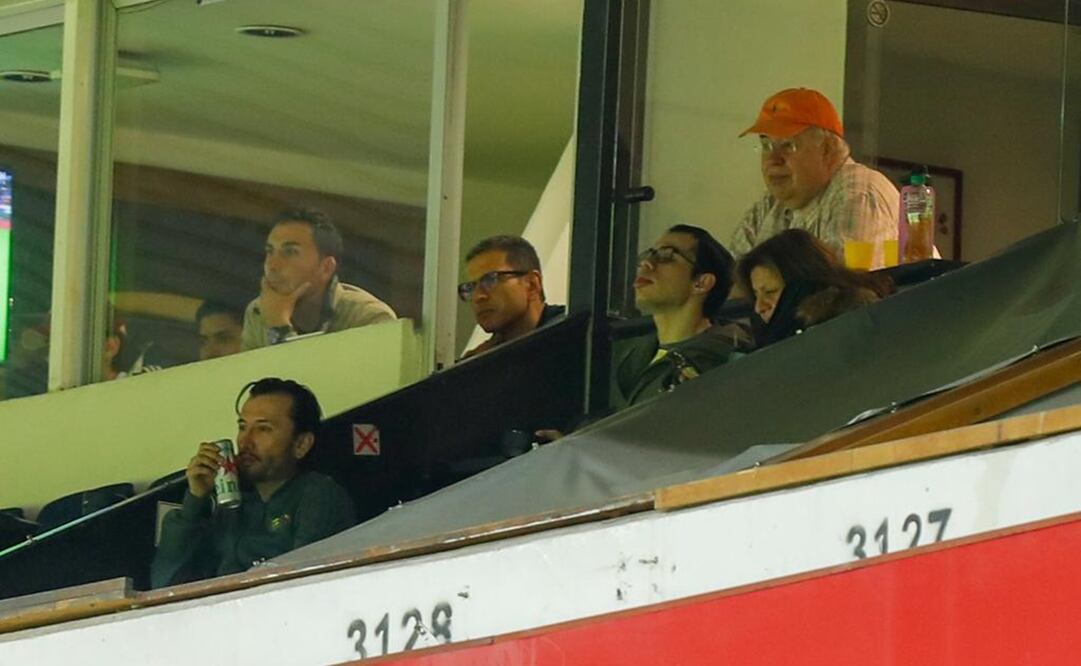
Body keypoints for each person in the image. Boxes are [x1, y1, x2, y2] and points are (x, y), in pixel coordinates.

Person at [151, 377, 355, 587]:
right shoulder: (228, 503)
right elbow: (166, 584)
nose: (245, 441)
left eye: (263, 429)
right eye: (242, 427)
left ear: (301, 444)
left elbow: (302, 587)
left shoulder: (319, 494)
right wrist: (195, 500)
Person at [729, 88, 899, 269]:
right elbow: (731, 283)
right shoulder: (770, 204)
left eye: (788, 145)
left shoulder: (858, 191)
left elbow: (836, 288)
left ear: (827, 150)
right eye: (766, 145)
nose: (773, 160)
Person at [612, 224, 750, 408]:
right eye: (649, 253)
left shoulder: (715, 367)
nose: (646, 263)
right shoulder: (631, 354)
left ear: (701, 283)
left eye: (666, 256)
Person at [242, 209, 396, 350]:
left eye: (290, 252)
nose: (272, 265)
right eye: (270, 251)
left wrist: (278, 327)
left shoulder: (369, 317)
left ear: (326, 268)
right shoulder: (258, 313)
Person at [737, 229, 893, 348]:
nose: (759, 308)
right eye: (755, 295)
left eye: (770, 292)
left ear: (804, 283)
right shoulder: (770, 336)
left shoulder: (856, 309)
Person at [458, 235, 564, 359]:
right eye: (471, 287)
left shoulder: (573, 336)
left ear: (532, 284)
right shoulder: (478, 364)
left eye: (490, 280)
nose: (478, 297)